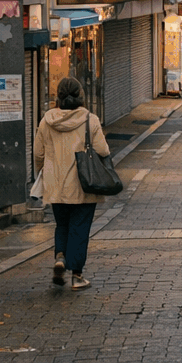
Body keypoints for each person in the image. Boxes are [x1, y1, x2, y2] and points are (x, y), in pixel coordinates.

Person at [33, 77, 110, 290]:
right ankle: (77, 275)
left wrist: (42, 170)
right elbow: (103, 151)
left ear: (59, 96)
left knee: (62, 224)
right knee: (79, 227)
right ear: (81, 95)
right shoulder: (89, 120)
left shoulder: (46, 120)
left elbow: (38, 153)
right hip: (83, 183)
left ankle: (60, 256)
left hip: (55, 183)